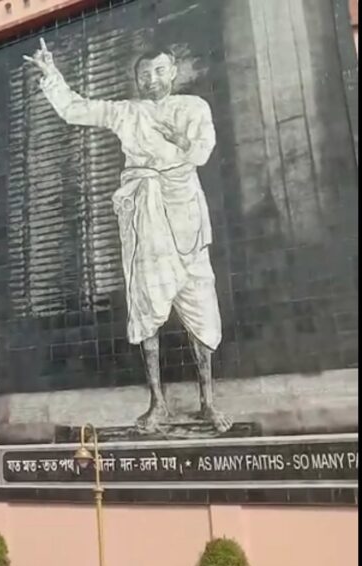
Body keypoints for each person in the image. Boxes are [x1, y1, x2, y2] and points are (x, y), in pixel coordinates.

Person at [26, 38, 229, 433]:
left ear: (172, 71)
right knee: (147, 304)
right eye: (143, 75)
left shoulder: (192, 107)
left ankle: (208, 400)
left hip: (185, 211)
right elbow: (74, 110)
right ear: (135, 79)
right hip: (143, 214)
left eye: (157, 72)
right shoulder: (126, 112)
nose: (150, 81)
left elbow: (202, 151)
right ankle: (158, 403)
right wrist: (51, 73)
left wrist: (179, 140)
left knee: (199, 302)